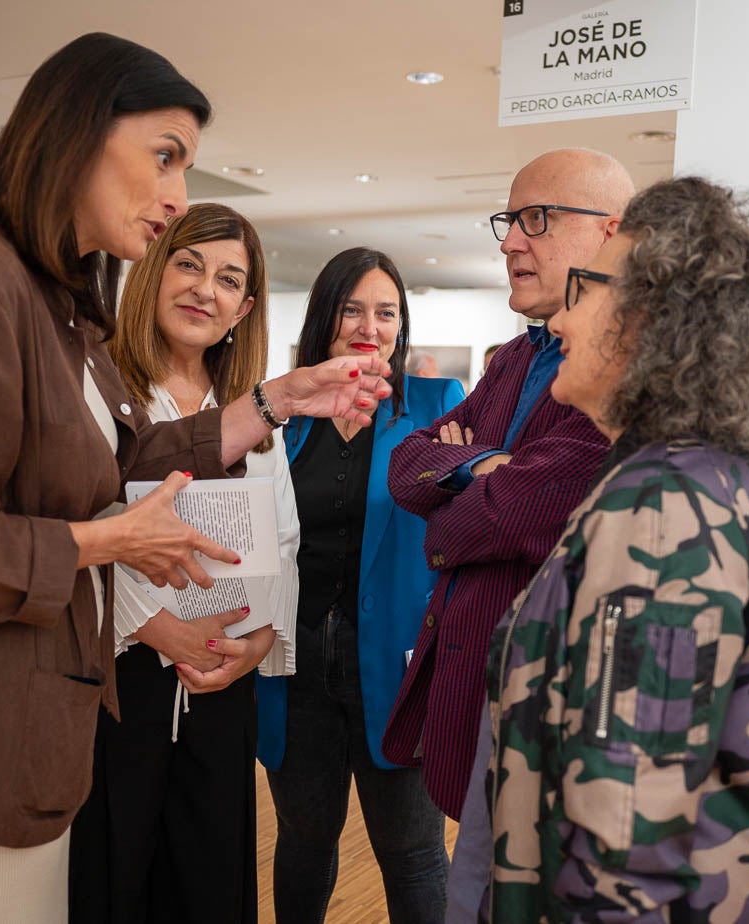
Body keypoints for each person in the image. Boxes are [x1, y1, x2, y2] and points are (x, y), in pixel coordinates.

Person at [0, 33, 390, 923]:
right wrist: (110, 540)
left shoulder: (50, 300)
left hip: (36, 719)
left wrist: (281, 396)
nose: (177, 197)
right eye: (166, 156)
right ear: (74, 133)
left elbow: (125, 461)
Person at [482, 176, 749, 921]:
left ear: (649, 322)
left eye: (585, 290)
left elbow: (625, 837)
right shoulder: (723, 478)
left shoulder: (659, 506)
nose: (561, 322)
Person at [381, 148, 635, 827]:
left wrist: (461, 485)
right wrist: (478, 468)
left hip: (551, 719)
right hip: (474, 703)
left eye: (537, 218)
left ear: (610, 232)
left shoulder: (627, 367)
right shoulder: (519, 357)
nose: (510, 241)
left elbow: (501, 517)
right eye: (509, 220)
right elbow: (405, 465)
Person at [69, 202, 299, 923]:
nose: (206, 289)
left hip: (224, 677)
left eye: (229, 279)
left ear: (244, 308)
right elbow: (82, 524)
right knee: (115, 869)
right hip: (118, 675)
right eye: (189, 264)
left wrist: (259, 642)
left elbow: (285, 541)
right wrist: (151, 627)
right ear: (152, 270)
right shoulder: (103, 388)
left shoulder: (252, 413)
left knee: (209, 874)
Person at [259, 248, 463, 923]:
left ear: (401, 326)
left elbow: (469, 512)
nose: (368, 326)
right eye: (352, 309)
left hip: (397, 668)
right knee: (303, 844)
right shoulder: (285, 412)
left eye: (386, 312)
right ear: (325, 317)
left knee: (411, 854)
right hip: (296, 665)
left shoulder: (437, 405)